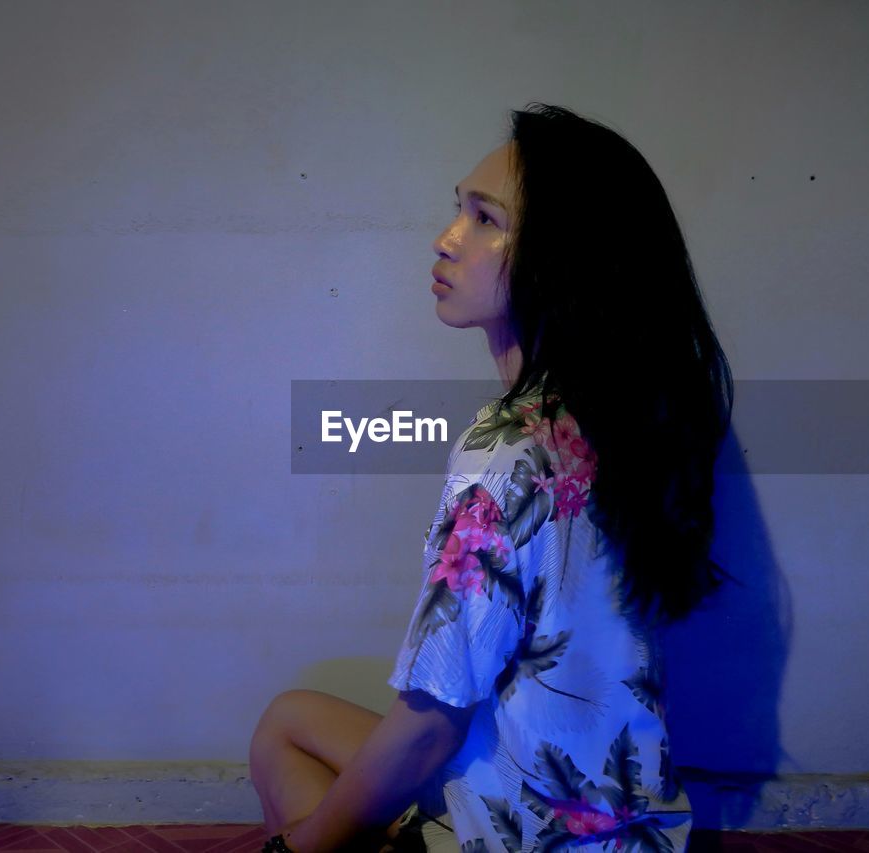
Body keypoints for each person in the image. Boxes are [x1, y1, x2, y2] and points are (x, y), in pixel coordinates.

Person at [249, 103, 734, 852]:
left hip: (517, 835)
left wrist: (297, 847)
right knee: (290, 719)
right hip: (629, 827)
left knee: (313, 813)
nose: (447, 239)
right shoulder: (629, 417)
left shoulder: (504, 449)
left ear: (561, 257)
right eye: (459, 211)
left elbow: (428, 727)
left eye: (486, 220)